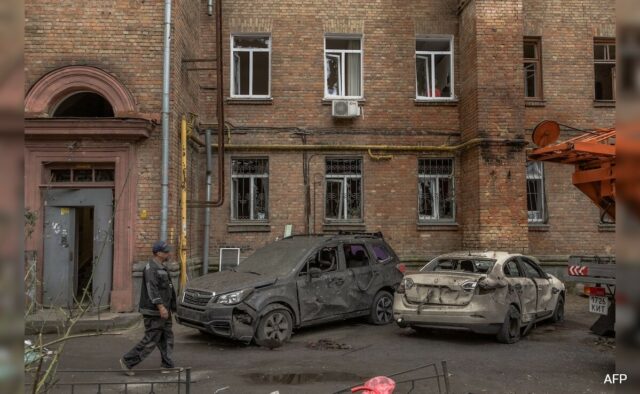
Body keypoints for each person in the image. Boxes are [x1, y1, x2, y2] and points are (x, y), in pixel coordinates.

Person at [120, 240, 178, 375]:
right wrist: (161, 307)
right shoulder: (151, 268)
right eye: (165, 251)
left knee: (166, 338)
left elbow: (168, 289)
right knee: (151, 339)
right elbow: (152, 289)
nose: (169, 253)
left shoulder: (162, 266)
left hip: (164, 311)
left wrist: (171, 308)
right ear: (158, 253)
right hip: (154, 312)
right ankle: (127, 362)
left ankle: (167, 365)